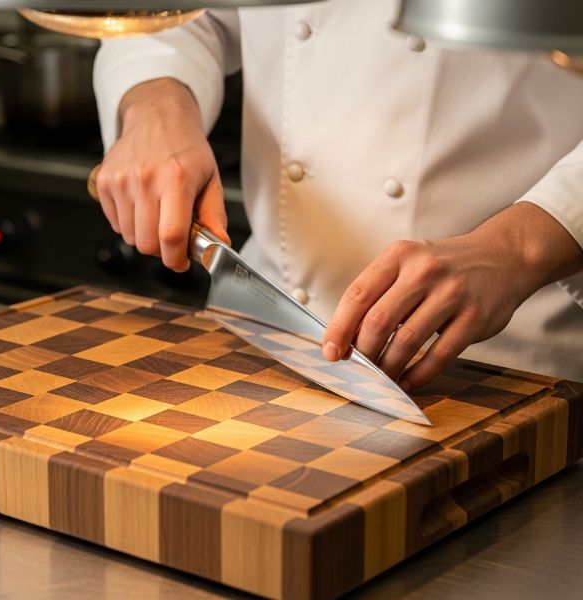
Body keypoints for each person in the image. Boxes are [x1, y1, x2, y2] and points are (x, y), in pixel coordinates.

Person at [91, 0, 583, 389]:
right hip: (266, 335)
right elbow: (178, 15)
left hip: (503, 365)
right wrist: (153, 107)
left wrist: (519, 247)